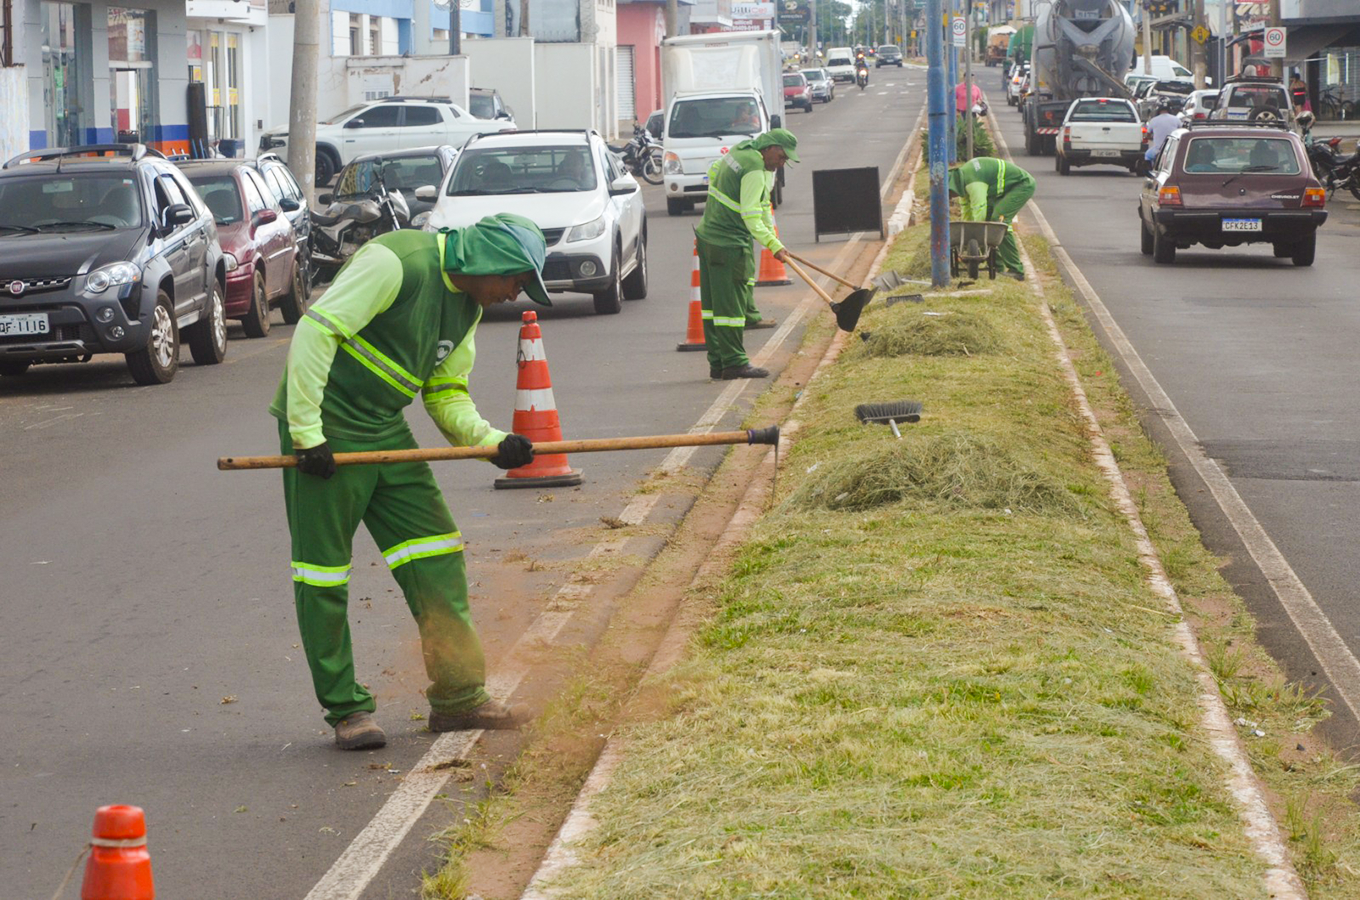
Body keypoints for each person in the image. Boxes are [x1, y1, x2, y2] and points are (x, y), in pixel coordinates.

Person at [270, 213, 550, 750]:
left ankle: (459, 698)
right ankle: (347, 710)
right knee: (323, 574)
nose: (514, 294)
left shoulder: (467, 307)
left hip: (383, 426)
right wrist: (307, 434)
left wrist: (491, 443)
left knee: (435, 551)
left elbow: (445, 393)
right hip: (327, 424)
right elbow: (315, 330)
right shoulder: (397, 262)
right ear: (489, 261)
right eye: (515, 281)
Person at [696, 129, 799, 380]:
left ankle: (719, 362)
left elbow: (760, 203)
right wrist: (773, 246)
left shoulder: (741, 151)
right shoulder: (754, 167)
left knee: (713, 308)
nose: (782, 163)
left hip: (708, 236)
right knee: (731, 308)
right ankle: (734, 363)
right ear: (770, 148)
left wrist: (774, 240)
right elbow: (751, 214)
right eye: (782, 156)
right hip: (729, 243)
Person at [947, 156, 1036, 281]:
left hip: (1021, 185)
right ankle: (996, 266)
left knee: (999, 222)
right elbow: (967, 213)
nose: (952, 197)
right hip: (1000, 191)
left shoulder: (973, 183)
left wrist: (975, 239)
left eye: (951, 195)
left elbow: (979, 211)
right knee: (986, 226)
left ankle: (1017, 270)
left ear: (953, 189)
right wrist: (966, 238)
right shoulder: (962, 181)